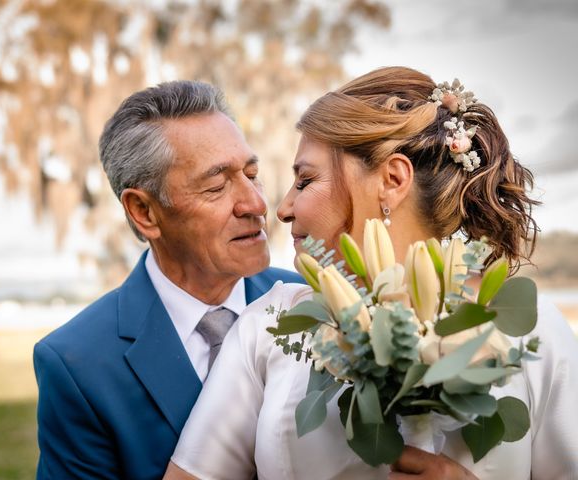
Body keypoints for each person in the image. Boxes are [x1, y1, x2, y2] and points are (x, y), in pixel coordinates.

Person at [165, 67, 578, 479]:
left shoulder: (534, 334)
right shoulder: (270, 327)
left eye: (305, 181)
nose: (283, 208)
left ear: (392, 180)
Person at [33, 80, 302, 480]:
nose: (257, 204)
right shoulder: (77, 365)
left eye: (252, 174)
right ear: (144, 211)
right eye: (216, 185)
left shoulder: (309, 302)